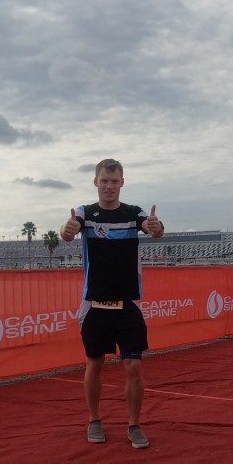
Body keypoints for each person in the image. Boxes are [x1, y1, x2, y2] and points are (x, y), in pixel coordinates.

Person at [60, 158, 165, 448]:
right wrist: (67, 230)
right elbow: (68, 231)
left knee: (133, 366)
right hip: (94, 303)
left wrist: (155, 227)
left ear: (122, 183)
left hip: (128, 303)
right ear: (96, 182)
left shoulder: (133, 213)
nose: (109, 186)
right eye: (104, 181)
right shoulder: (86, 212)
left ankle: (134, 425)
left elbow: (154, 229)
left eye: (114, 181)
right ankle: (94, 420)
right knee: (94, 363)